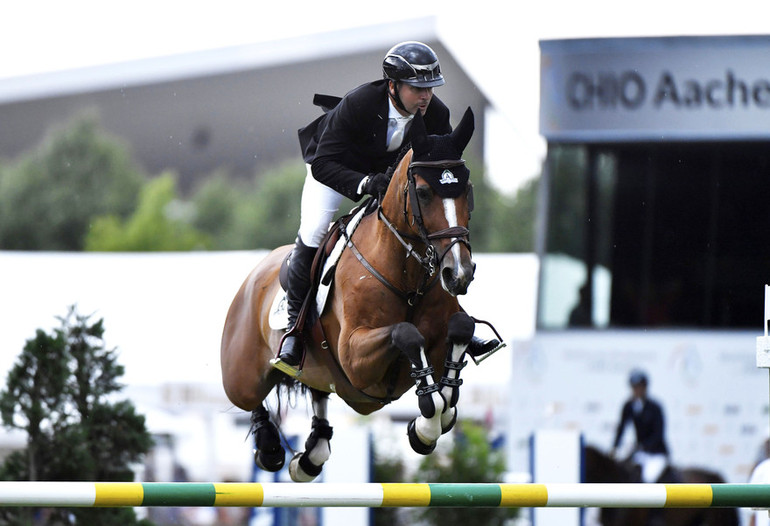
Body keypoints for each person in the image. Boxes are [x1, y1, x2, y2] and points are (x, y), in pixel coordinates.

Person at [271, 41, 499, 377]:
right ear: (393, 85)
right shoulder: (360, 104)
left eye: (430, 88)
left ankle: (456, 318)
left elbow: (440, 166)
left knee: (429, 237)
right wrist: (364, 184)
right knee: (315, 230)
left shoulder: (435, 114)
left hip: (391, 179)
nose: (425, 97)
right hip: (335, 169)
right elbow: (323, 165)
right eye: (417, 88)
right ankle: (294, 332)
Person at [611, 369, 669, 483]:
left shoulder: (655, 407)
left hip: (655, 454)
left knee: (649, 476)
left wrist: (642, 446)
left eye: (639, 387)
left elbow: (658, 434)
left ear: (645, 387)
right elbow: (621, 428)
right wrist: (615, 448)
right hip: (639, 454)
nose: (637, 390)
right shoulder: (629, 406)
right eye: (634, 387)